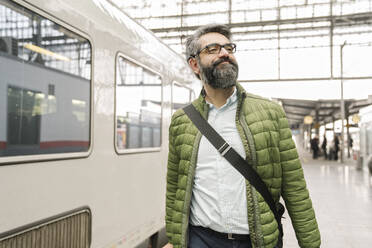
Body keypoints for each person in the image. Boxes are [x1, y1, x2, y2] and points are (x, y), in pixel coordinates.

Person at [164, 24, 321, 248]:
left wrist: (311, 244)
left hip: (258, 241)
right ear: (194, 64)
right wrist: (175, 240)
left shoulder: (270, 112)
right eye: (213, 49)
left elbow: (294, 186)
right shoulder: (182, 121)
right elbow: (175, 187)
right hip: (201, 239)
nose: (225, 53)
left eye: (229, 47)